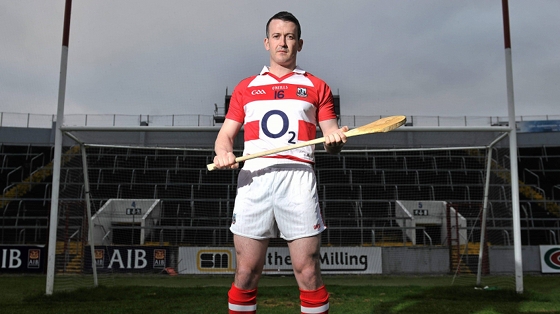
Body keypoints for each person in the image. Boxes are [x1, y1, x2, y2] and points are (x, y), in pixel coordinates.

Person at [213, 11, 348, 314]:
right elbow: (224, 137)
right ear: (266, 42)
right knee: (246, 272)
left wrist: (335, 141)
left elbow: (330, 138)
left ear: (299, 43)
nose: (283, 43)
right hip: (254, 178)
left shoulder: (317, 87)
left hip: (298, 178)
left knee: (308, 272)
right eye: (277, 36)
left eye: (289, 37)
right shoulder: (245, 88)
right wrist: (223, 152)